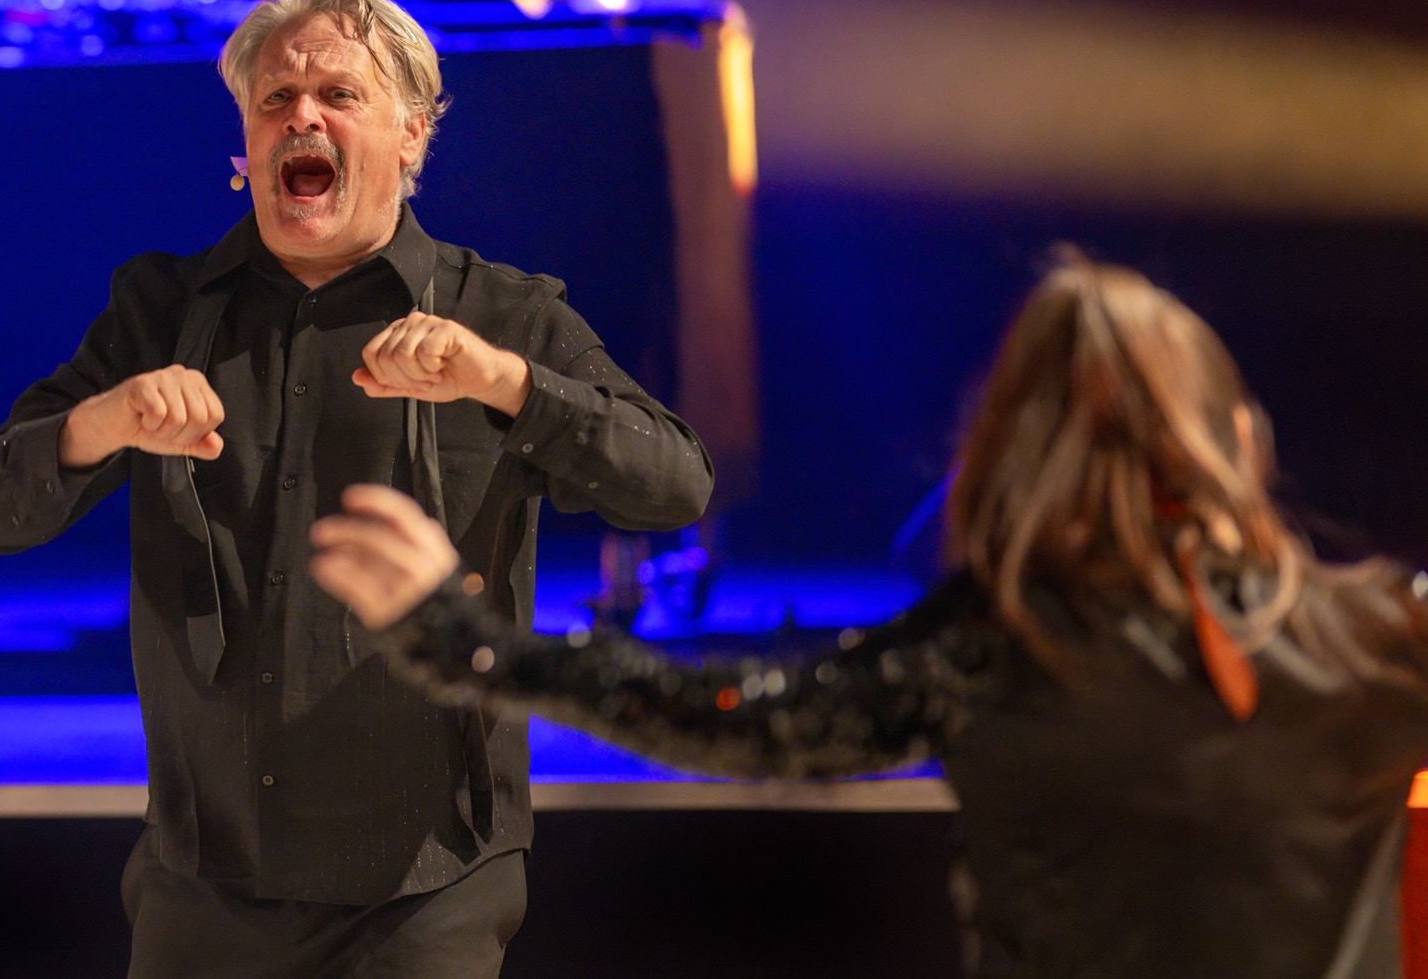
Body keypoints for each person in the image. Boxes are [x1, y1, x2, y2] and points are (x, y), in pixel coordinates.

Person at [313, 252, 1428, 978]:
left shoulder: (988, 653)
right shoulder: (1378, 638)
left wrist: (472, 644)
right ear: (1241, 441)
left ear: (996, 459)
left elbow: (731, 712)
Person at [0, 0, 713, 977]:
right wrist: (102, 422)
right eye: (275, 98)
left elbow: (674, 483)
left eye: (338, 95)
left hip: (424, 884)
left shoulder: (503, 314)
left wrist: (503, 381)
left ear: (411, 134)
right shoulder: (160, 308)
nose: (300, 116)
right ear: (245, 141)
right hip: (205, 877)